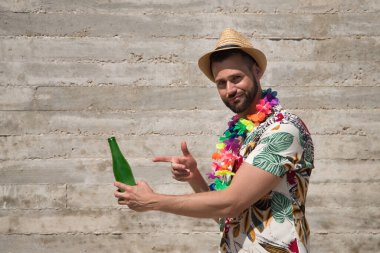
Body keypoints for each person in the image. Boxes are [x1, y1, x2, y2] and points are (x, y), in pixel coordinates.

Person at [114, 28, 314, 253]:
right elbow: (225, 215)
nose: (230, 90)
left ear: (257, 72)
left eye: (236, 78)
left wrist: (152, 201)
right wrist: (195, 178)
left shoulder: (284, 129)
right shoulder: (241, 134)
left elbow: (231, 203)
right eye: (221, 83)